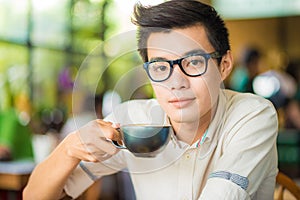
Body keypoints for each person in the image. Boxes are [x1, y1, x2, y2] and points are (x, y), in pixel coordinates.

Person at [23, 1, 278, 199]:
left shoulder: (252, 115)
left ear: (224, 65)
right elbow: (33, 195)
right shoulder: (135, 123)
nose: (176, 82)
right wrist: (69, 149)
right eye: (159, 66)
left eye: (194, 62)